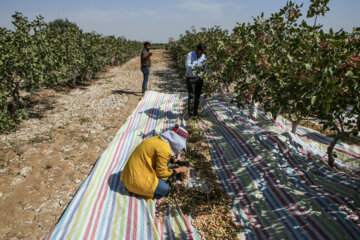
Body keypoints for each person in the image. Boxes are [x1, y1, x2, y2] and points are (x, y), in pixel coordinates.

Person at [120, 126, 189, 201]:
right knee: (165, 188)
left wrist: (176, 161)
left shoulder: (158, 140)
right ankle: (146, 189)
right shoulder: (164, 149)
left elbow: (161, 157)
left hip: (130, 177)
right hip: (135, 183)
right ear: (176, 141)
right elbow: (161, 174)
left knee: (167, 162)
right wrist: (180, 170)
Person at [185, 43, 207, 117]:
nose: (201, 54)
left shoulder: (204, 57)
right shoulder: (190, 55)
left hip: (199, 79)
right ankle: (190, 114)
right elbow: (187, 65)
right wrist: (196, 67)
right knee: (191, 96)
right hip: (191, 78)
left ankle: (195, 112)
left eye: (203, 52)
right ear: (197, 50)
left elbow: (206, 68)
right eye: (201, 52)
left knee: (197, 96)